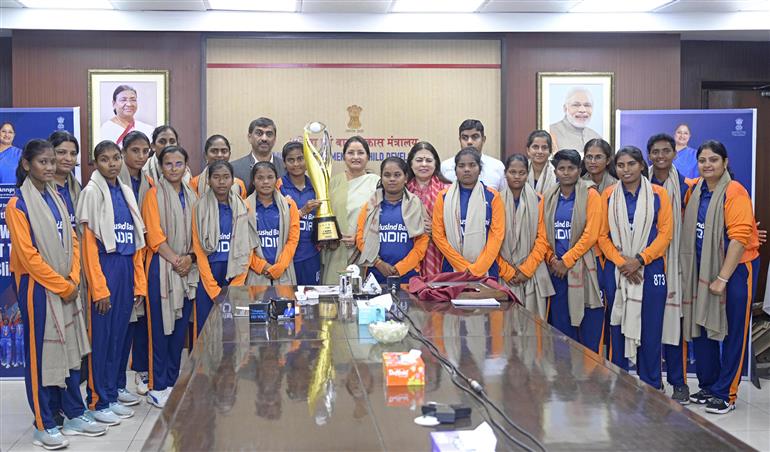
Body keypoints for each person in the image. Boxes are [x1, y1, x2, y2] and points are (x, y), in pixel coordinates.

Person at [7, 139, 106, 448]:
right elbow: (29, 256)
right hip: (38, 288)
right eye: (43, 162)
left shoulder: (57, 196)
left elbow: (74, 241)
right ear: (27, 165)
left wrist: (74, 276)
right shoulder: (18, 205)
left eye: (53, 161)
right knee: (41, 355)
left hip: (66, 283)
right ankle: (44, 422)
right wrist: (64, 285)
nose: (50, 167)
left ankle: (73, 412)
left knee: (70, 349)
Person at [681, 140, 760, 414]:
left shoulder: (735, 191)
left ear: (725, 163)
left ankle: (727, 392)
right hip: (701, 270)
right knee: (702, 326)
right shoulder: (695, 190)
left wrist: (722, 279)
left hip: (736, 271)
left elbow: (738, 239)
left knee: (733, 331)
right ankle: (709, 384)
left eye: (713, 160)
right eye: (702, 160)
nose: (707, 165)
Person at [76, 140, 148, 422]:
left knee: (119, 337)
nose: (112, 164)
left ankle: (111, 393)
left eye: (116, 158)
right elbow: (88, 247)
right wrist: (98, 288)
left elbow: (136, 242)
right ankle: (97, 400)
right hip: (105, 270)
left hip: (126, 268)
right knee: (102, 339)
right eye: (105, 159)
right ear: (95, 163)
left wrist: (138, 283)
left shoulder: (126, 191)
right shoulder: (91, 193)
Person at [598, 146, 673, 390]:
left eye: (631, 164)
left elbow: (665, 234)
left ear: (642, 165)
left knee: (651, 331)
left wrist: (639, 260)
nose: (626, 169)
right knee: (617, 328)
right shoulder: (608, 195)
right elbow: (602, 236)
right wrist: (623, 263)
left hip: (650, 269)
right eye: (621, 165)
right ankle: (620, 384)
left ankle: (652, 384)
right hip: (618, 271)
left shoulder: (658, 194)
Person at [141, 145, 199, 409]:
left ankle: (173, 381)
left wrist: (189, 259)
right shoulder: (153, 195)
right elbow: (153, 236)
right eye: (168, 164)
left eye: (179, 164)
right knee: (160, 329)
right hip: (162, 269)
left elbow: (199, 232)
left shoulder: (193, 194)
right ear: (160, 167)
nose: (174, 169)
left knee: (179, 332)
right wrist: (178, 260)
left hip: (187, 269)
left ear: (186, 166)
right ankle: (157, 385)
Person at [543, 149, 603, 350]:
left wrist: (567, 261)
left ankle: (588, 379)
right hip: (556, 271)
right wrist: (552, 260)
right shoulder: (549, 196)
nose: (566, 172)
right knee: (561, 329)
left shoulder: (591, 194)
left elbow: (591, 234)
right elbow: (541, 232)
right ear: (555, 171)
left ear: (579, 170)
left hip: (583, 269)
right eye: (561, 168)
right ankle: (565, 377)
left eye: (571, 168)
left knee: (587, 331)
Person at [647, 133, 691, 403]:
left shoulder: (686, 186)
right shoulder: (639, 183)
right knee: (649, 326)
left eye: (666, 151)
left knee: (675, 322)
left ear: (675, 153)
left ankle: (678, 381)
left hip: (675, 263)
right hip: (647, 264)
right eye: (655, 152)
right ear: (649, 155)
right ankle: (651, 379)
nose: (660, 156)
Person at [192, 160, 251, 335]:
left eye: (226, 177)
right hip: (209, 276)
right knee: (207, 332)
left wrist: (236, 285)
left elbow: (247, 249)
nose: (222, 182)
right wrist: (213, 290)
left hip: (234, 275)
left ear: (233, 180)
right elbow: (199, 251)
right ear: (208, 180)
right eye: (216, 177)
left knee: (233, 334)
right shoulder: (199, 208)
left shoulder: (243, 207)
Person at [117, 130, 154, 399]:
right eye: (135, 151)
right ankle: (114, 385)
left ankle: (135, 374)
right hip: (120, 256)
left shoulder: (150, 181)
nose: (141, 156)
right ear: (124, 151)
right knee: (120, 325)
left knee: (139, 321)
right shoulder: (114, 181)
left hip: (144, 256)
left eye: (145, 151)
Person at [496, 154, 554, 318]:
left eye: (521, 173)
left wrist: (525, 270)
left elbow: (542, 239)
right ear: (505, 173)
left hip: (531, 273)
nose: (517, 176)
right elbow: (491, 241)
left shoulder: (538, 200)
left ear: (527, 174)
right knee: (504, 328)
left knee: (533, 328)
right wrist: (507, 271)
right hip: (503, 274)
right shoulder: (495, 200)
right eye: (512, 172)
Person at [432, 147, 504, 278]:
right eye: (461, 166)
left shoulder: (493, 196)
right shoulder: (443, 197)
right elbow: (438, 235)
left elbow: (496, 236)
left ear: (480, 169)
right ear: (455, 170)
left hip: (486, 270)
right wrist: (463, 266)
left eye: (472, 165)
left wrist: (478, 268)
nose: (467, 169)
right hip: (452, 268)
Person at [354, 157, 428, 283]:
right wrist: (378, 263)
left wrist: (400, 268)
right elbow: (360, 238)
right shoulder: (370, 206)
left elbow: (422, 242)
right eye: (387, 175)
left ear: (405, 178)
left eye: (397, 175)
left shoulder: (416, 205)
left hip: (408, 275)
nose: (392, 179)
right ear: (381, 179)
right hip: (375, 274)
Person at [322, 136, 380, 284]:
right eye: (351, 153)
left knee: (361, 295)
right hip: (335, 250)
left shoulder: (376, 183)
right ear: (343, 156)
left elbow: (381, 218)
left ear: (368, 156)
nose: (355, 157)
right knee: (333, 297)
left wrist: (359, 238)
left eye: (360, 153)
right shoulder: (332, 183)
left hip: (363, 250)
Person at [246, 161, 299, 285]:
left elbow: (293, 240)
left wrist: (280, 266)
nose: (265, 182)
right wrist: (261, 266)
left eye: (270, 177)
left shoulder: (289, 205)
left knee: (285, 304)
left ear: (276, 180)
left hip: (283, 271)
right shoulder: (244, 207)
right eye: (260, 178)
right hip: (255, 273)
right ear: (253, 181)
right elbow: (241, 245)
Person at [278, 140, 322, 285]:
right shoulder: (279, 186)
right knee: (289, 300)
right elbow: (275, 221)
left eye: (300, 159)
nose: (296, 164)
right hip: (287, 256)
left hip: (311, 254)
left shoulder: (317, 185)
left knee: (311, 298)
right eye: (291, 160)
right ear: (284, 163)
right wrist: (302, 211)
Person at [406, 141, 450, 277]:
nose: (424, 164)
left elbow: (459, 223)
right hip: (409, 251)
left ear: (436, 163)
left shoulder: (449, 190)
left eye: (428, 160)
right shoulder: (402, 190)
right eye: (419, 160)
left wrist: (437, 228)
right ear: (411, 164)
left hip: (440, 252)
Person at [440, 119, 505, 190]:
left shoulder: (497, 167)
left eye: (475, 137)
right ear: (460, 140)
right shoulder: (446, 167)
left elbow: (504, 198)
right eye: (465, 138)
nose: (469, 142)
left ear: (483, 139)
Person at [231, 117, 286, 183]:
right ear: (249, 137)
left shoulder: (285, 167)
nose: (264, 138)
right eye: (259, 133)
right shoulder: (234, 168)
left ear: (274, 139)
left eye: (269, 134)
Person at [549, 87, 602, 154]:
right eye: (576, 105)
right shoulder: (551, 132)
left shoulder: (596, 137)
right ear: (565, 109)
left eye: (587, 105)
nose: (582, 110)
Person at [49, 131, 81, 228]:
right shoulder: (38, 189)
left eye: (73, 154)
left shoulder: (78, 190)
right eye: (61, 152)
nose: (68, 158)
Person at [525, 130, 557, 194]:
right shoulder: (521, 171)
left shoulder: (556, 174)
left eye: (544, 147)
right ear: (528, 150)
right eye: (535, 147)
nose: (540, 151)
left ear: (550, 151)